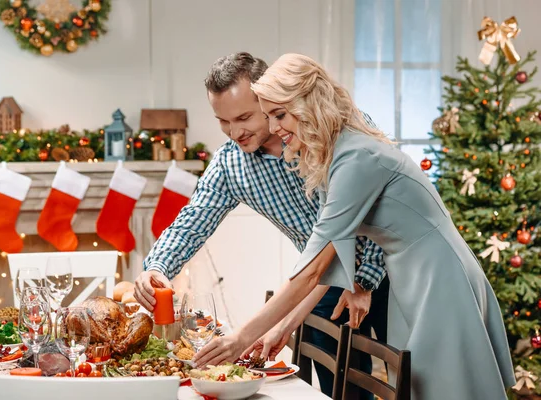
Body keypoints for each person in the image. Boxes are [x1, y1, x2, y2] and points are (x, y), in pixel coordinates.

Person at [193, 53, 516, 400]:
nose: (273, 128)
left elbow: (312, 268)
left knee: (450, 390)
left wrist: (240, 337)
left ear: (310, 102)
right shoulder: (337, 151)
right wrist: (283, 327)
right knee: (424, 390)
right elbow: (328, 261)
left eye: (280, 114)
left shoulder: (356, 158)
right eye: (269, 116)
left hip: (438, 273)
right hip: (413, 273)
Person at [133, 52, 389, 398]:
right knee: (334, 392)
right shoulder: (231, 164)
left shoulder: (326, 132)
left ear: (269, 99)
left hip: (389, 270)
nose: (235, 132)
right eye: (223, 121)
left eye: (244, 117)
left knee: (415, 379)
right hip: (319, 284)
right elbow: (190, 223)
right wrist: (158, 267)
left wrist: (364, 279)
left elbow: (378, 203)